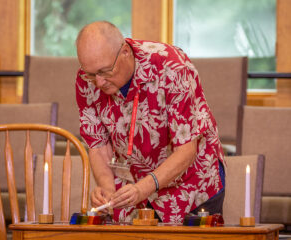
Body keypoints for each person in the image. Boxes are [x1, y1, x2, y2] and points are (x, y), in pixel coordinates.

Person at [75, 21, 225, 223]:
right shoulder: (87, 79)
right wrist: (107, 188)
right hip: (134, 186)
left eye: (105, 71)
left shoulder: (172, 67)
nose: (99, 82)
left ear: (125, 52)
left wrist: (142, 188)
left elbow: (187, 150)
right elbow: (98, 144)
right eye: (92, 74)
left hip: (191, 184)